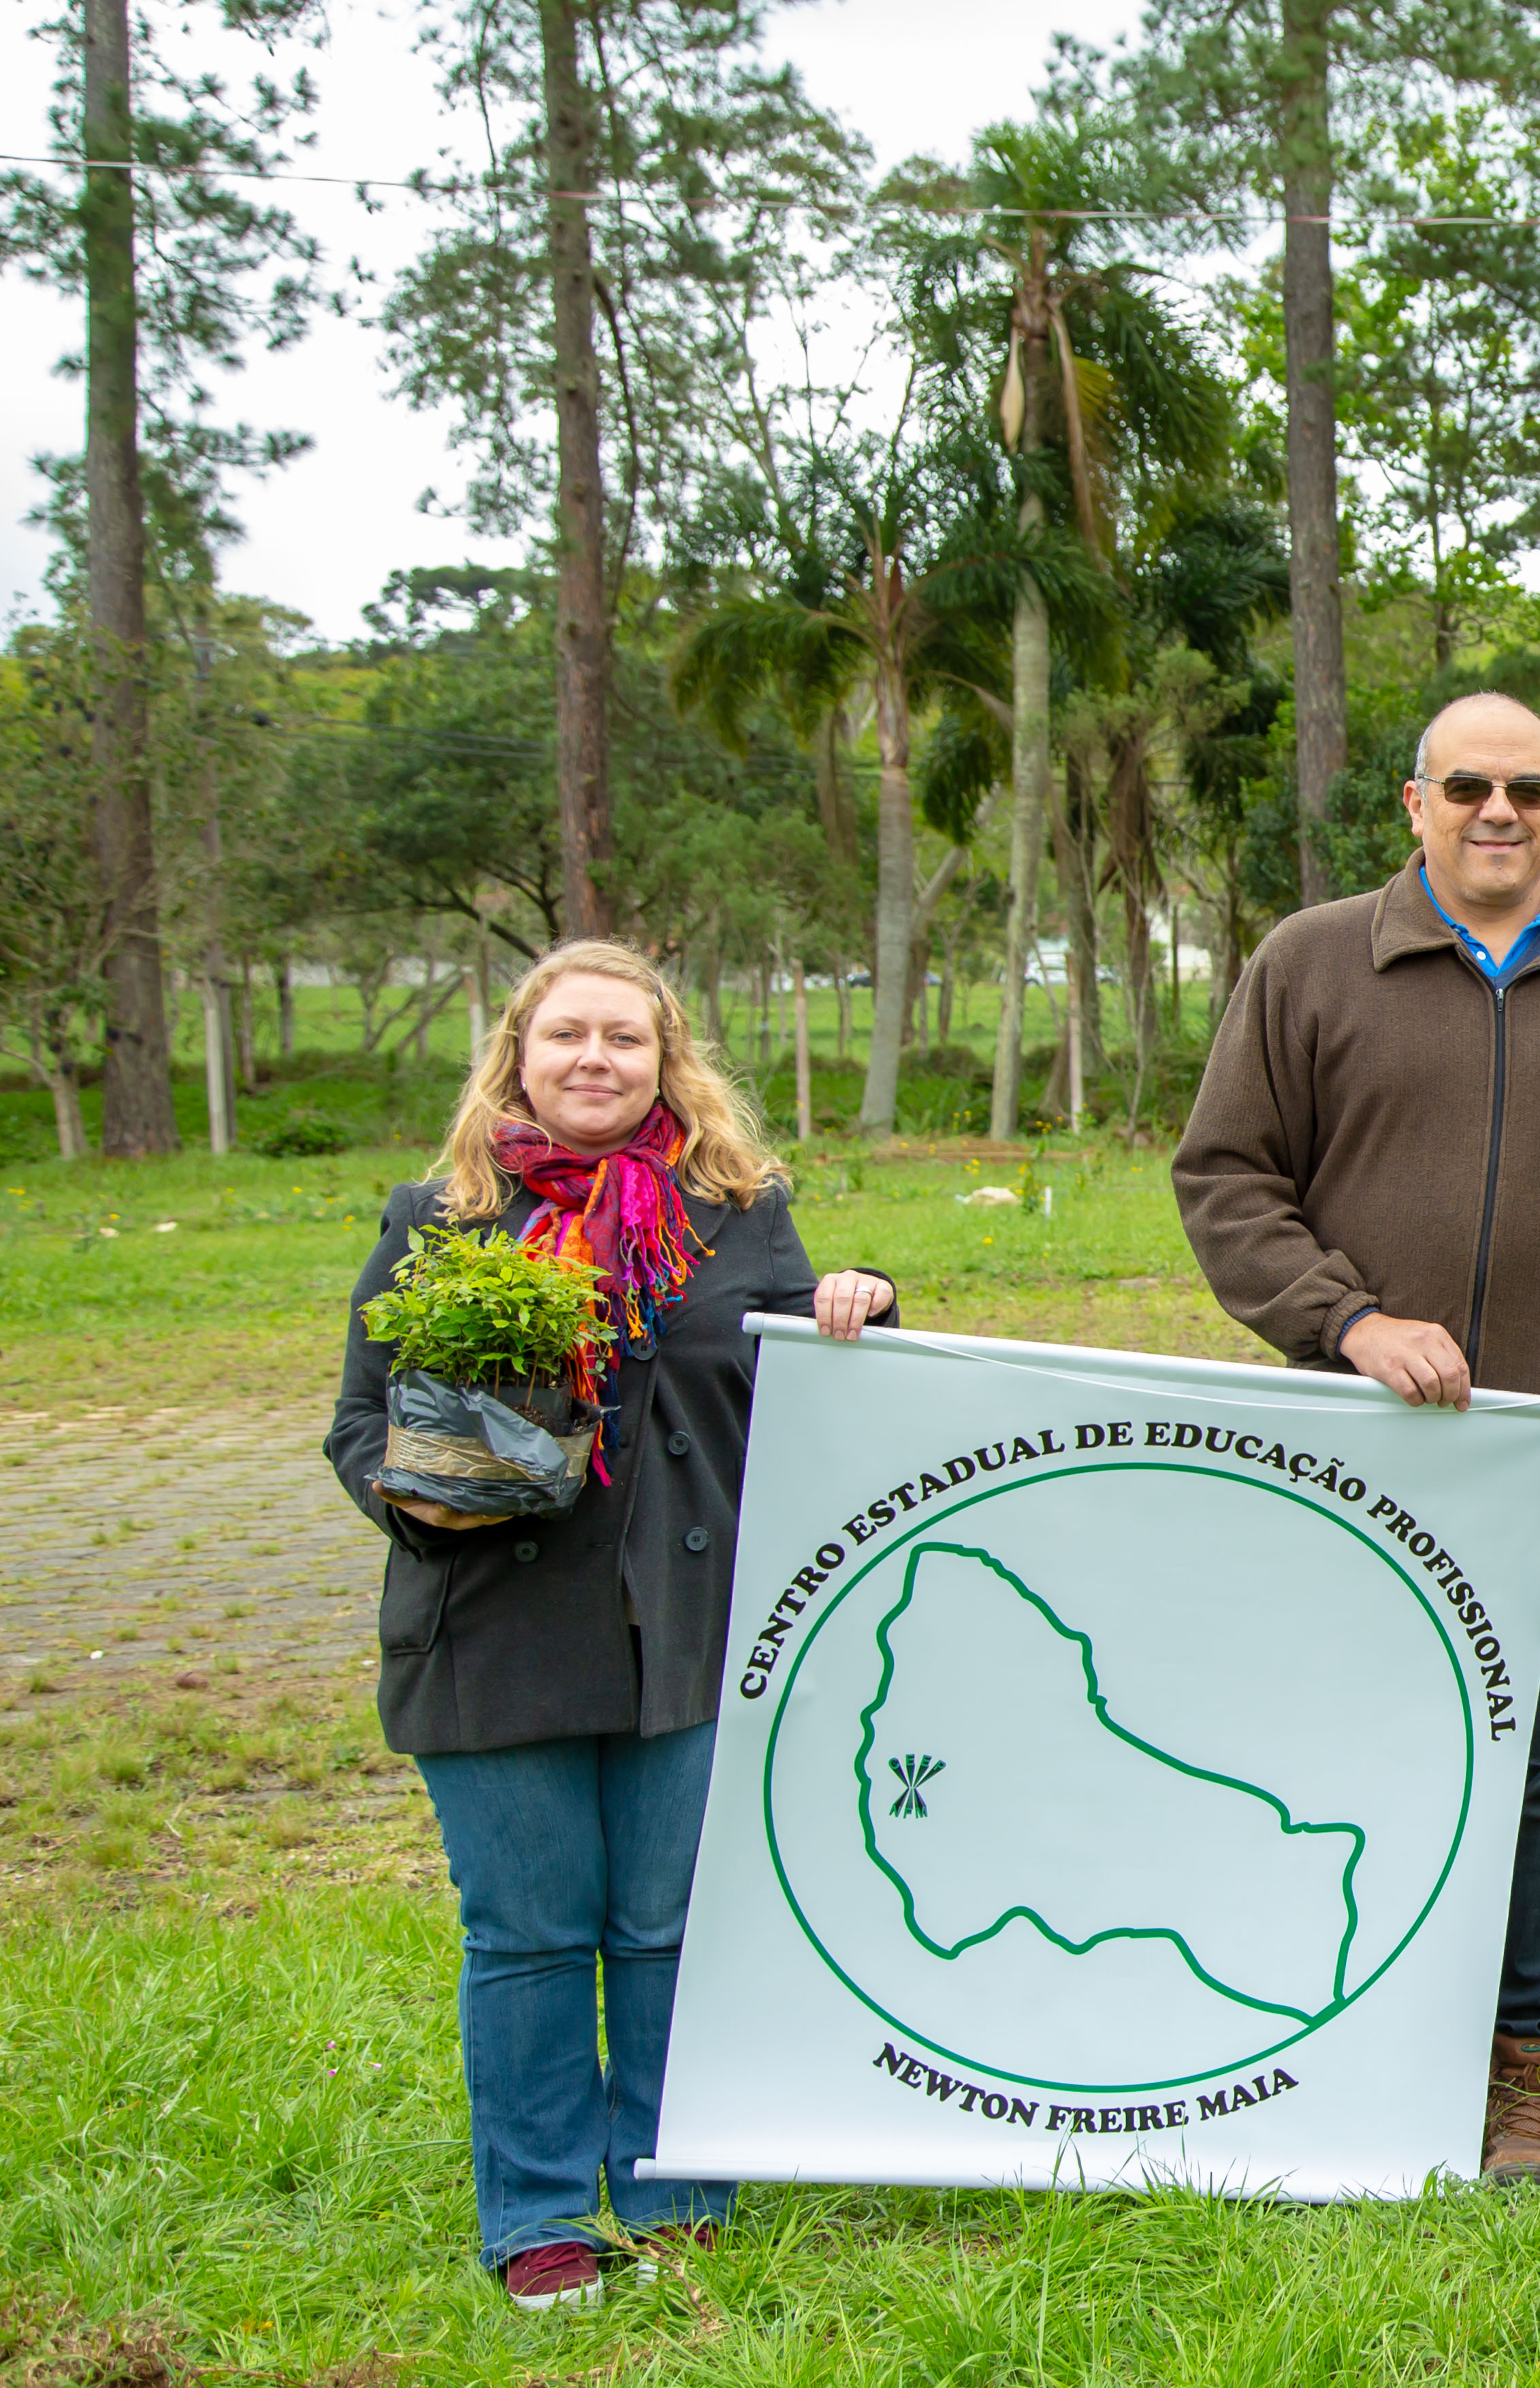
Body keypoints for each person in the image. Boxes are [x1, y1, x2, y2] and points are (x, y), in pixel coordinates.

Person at [1174, 690, 1540, 2189]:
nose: (1499, 810)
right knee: (1345, 1747)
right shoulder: (1310, 964)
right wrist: (1346, 1321)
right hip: (1359, 1442)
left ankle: (1527, 2061)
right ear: (1412, 802)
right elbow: (1227, 1178)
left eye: (1528, 789)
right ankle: (1334, 2031)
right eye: (1467, 784)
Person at [323, 942, 894, 2310]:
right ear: (519, 1053)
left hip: (678, 1627)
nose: (596, 1060)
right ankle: (537, 2212)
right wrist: (427, 1495)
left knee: (662, 1922)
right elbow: (359, 1425)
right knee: (527, 1926)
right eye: (568, 1035)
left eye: (624, 1040)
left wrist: (859, 1306)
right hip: (492, 1625)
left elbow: (790, 1388)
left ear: (665, 1059)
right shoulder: (438, 1221)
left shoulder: (739, 1215)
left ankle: (673, 2182)